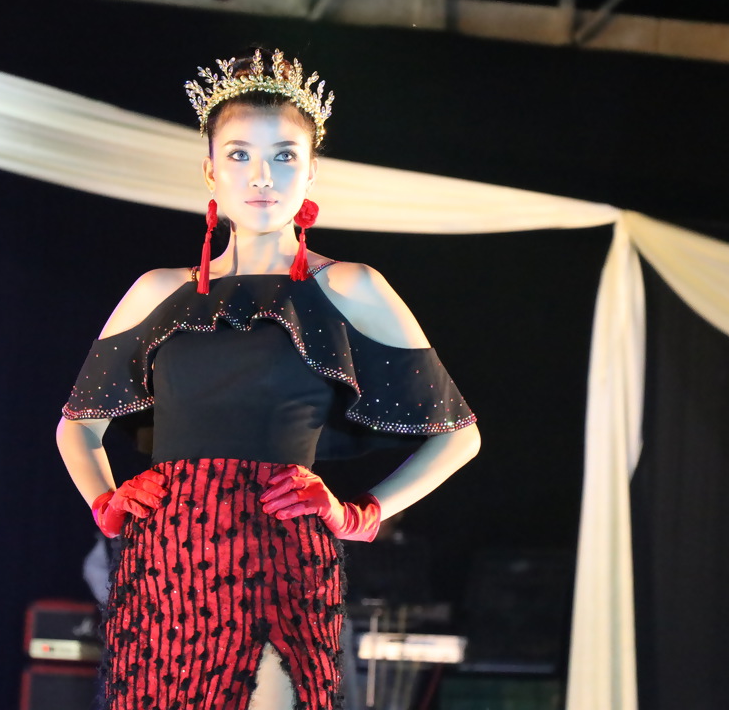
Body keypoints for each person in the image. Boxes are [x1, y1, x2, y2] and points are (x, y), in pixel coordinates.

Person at [55, 48, 481, 710]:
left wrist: (359, 515)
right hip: (166, 561)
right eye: (239, 155)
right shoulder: (158, 291)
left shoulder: (348, 287)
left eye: (284, 156)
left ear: (311, 171)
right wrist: (106, 503)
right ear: (210, 170)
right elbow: (77, 428)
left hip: (279, 556)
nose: (262, 176)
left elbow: (459, 436)